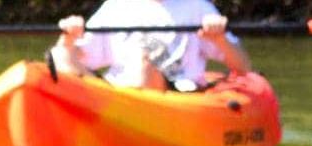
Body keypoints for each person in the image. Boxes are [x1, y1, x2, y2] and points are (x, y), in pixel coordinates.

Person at [50, 0, 252, 92]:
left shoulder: (197, 6)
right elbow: (76, 56)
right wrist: (68, 38)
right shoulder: (116, 6)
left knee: (142, 61)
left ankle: (129, 123)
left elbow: (243, 67)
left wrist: (219, 39)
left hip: (173, 91)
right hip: (115, 92)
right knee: (58, 54)